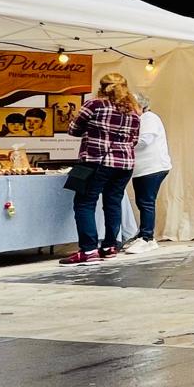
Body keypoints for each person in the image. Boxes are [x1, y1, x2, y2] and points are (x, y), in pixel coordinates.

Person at [62, 72, 141, 265]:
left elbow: (73, 130)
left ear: (101, 87)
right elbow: (135, 140)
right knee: (113, 203)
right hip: (124, 165)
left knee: (85, 203)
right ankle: (109, 246)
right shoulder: (134, 111)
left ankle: (88, 250)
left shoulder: (95, 105)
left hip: (96, 161)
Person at [126, 94, 171, 254]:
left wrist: (123, 143)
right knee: (143, 202)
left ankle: (147, 238)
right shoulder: (141, 119)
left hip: (152, 167)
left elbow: (145, 140)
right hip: (143, 168)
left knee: (146, 202)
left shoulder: (149, 118)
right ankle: (143, 235)